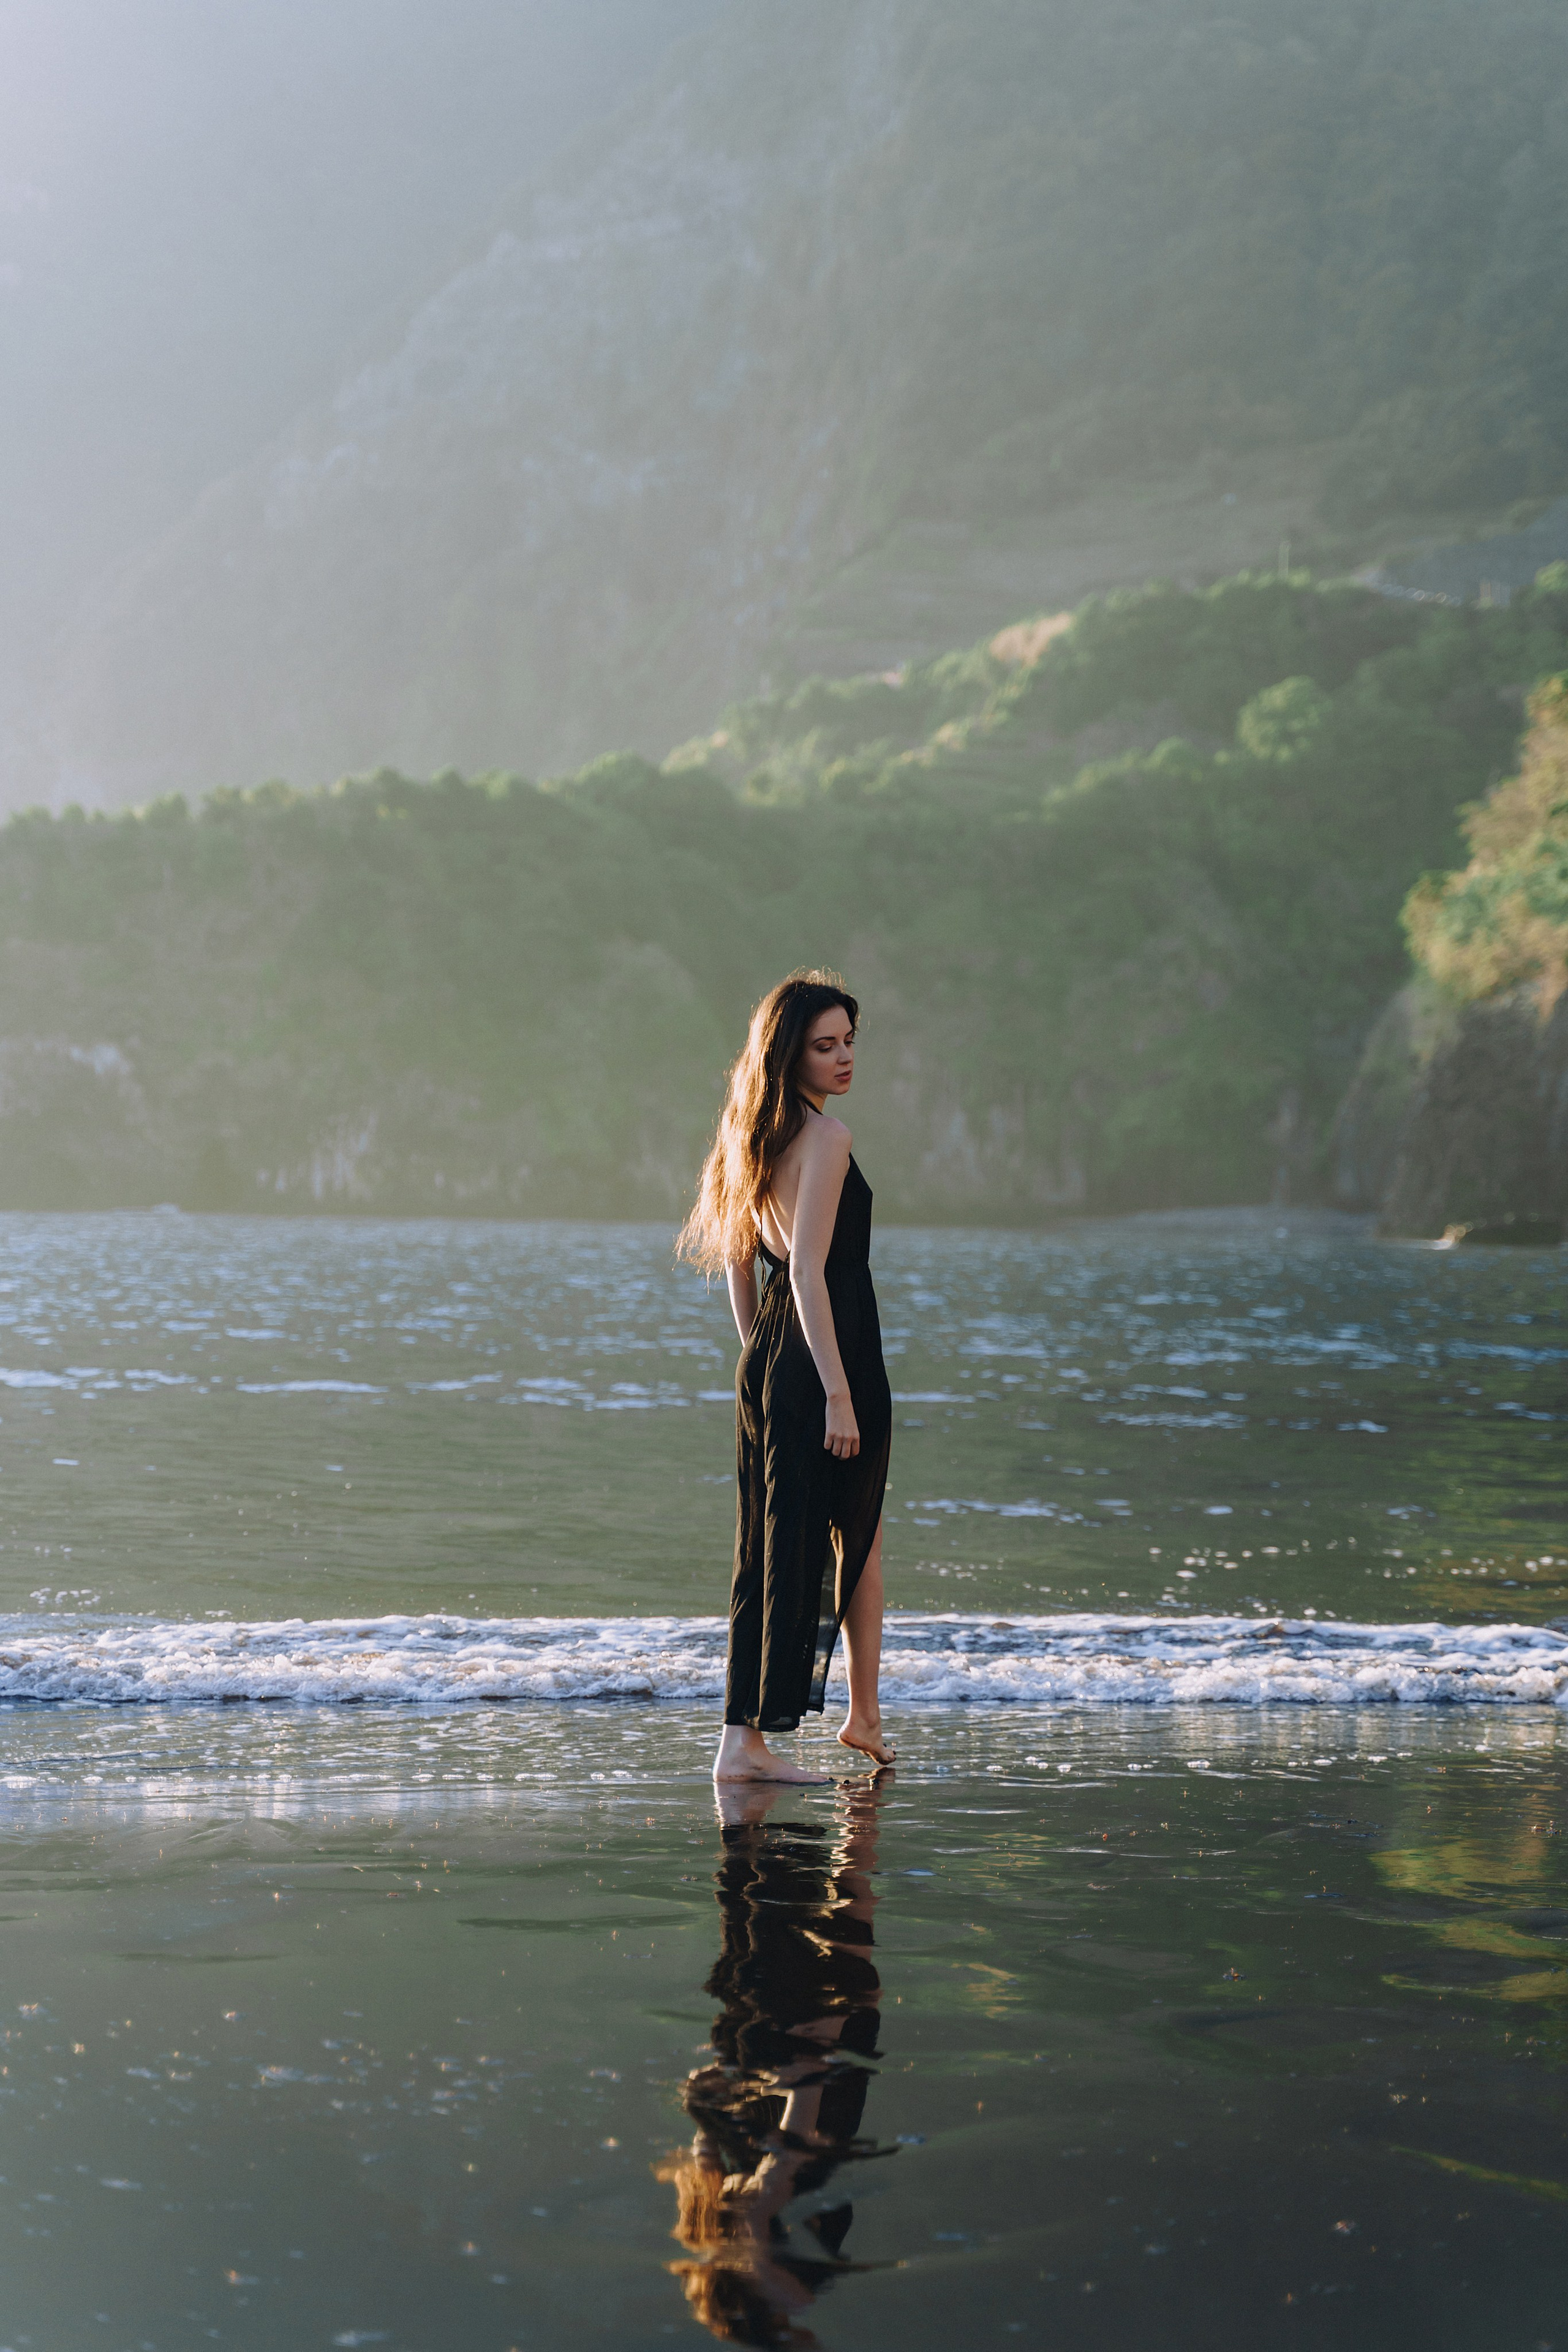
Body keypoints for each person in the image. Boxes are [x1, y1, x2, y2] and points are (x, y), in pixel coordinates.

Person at [678, 970, 894, 1783]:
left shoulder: (750, 1136)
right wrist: (832, 1390)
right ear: (788, 1054)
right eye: (824, 1046)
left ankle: (846, 1719)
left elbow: (742, 1264)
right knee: (841, 1537)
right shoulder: (826, 1139)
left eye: (849, 1042)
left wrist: (763, 1364)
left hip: (773, 1354)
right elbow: (805, 1272)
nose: (843, 1058)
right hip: (830, 1355)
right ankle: (755, 1743)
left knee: (789, 1543)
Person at [655, 1775, 894, 2344]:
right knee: (763, 1925)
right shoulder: (708, 2238)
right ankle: (782, 1797)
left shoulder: (781, 2285)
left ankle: (786, 1789)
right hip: (767, 2078)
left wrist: (813, 2067)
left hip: (805, 2079)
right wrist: (708, 2106)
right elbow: (712, 2161)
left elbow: (777, 2174)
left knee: (802, 1914)